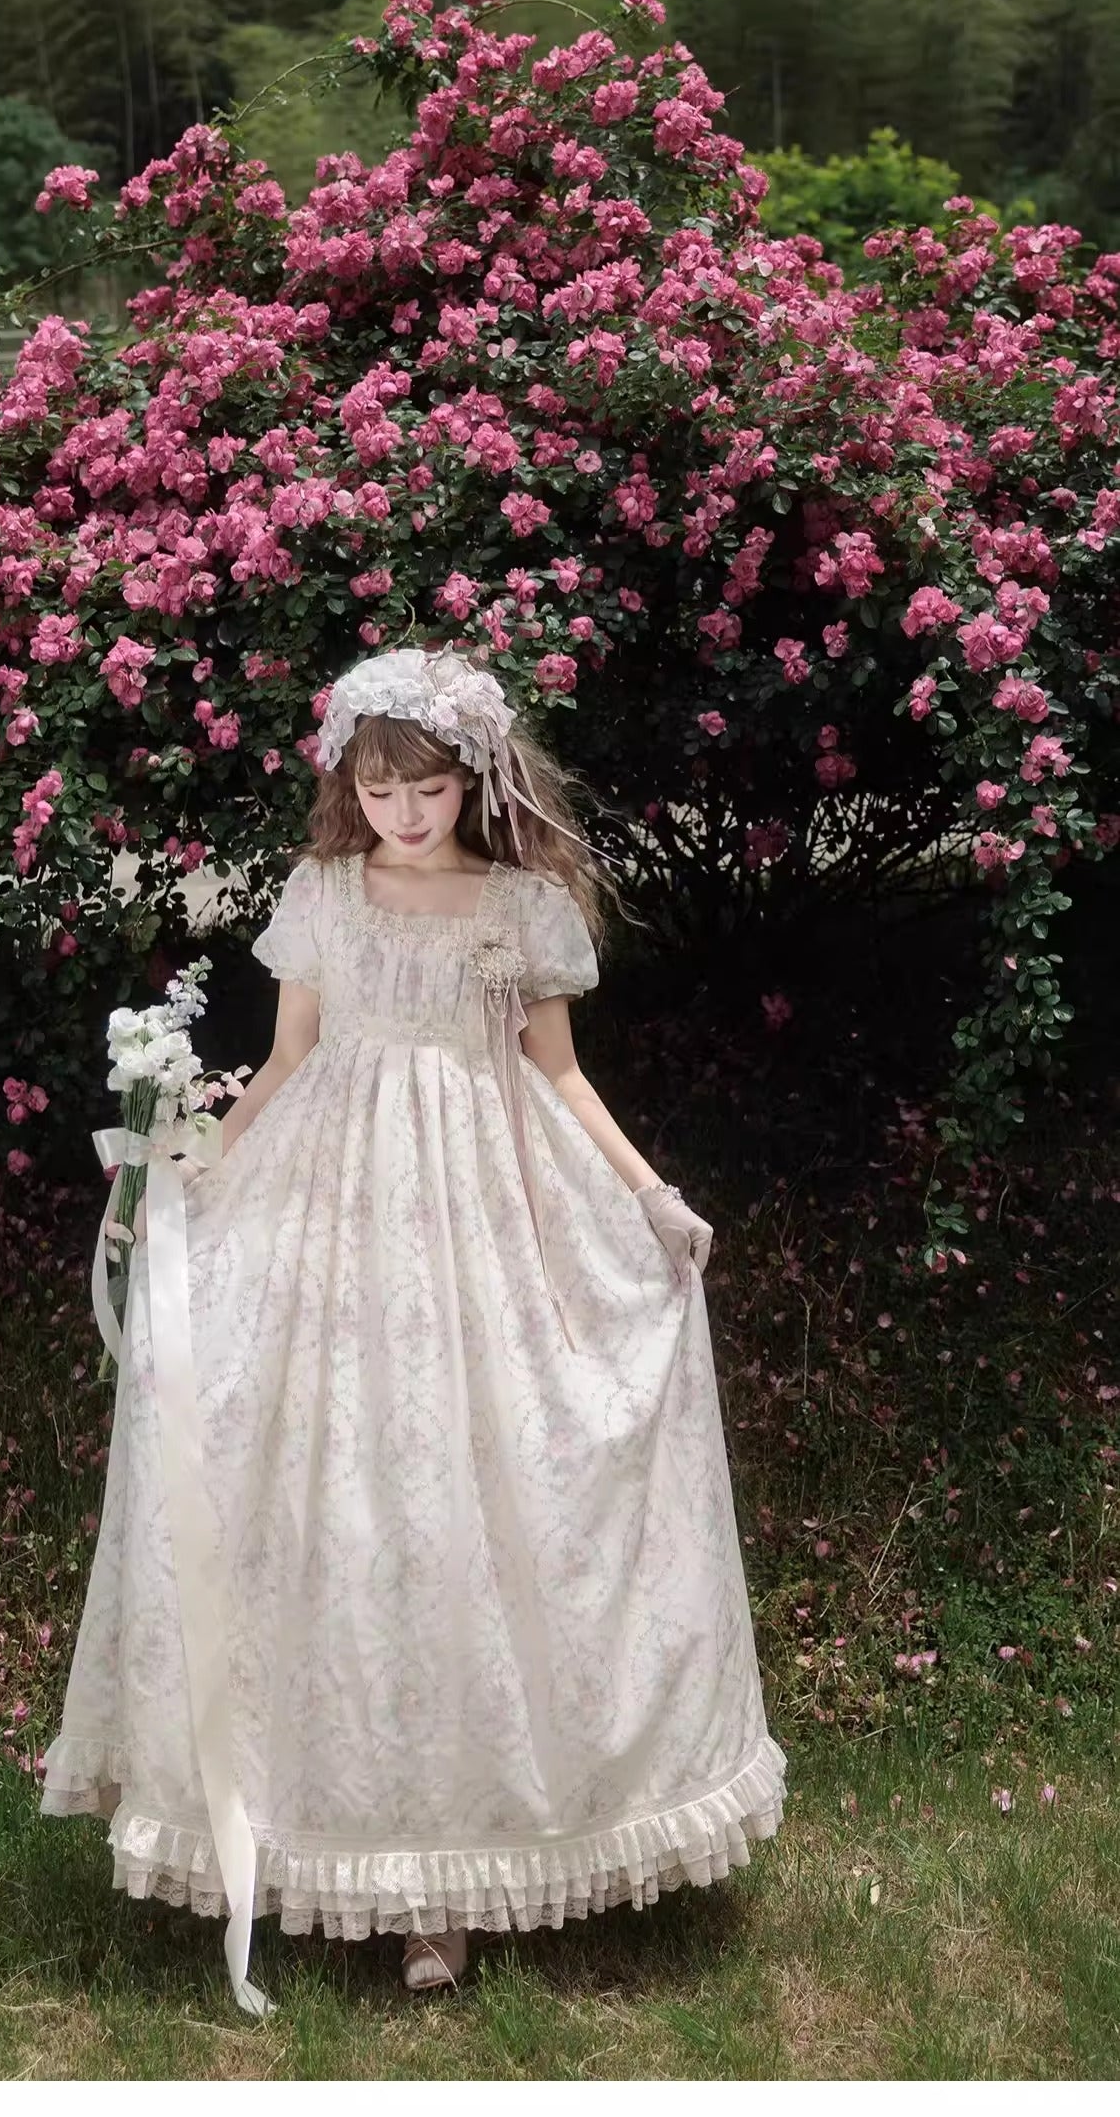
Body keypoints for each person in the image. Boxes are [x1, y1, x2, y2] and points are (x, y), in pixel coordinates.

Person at [39, 642, 788, 2011]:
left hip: (486, 1209)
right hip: (331, 1211)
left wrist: (651, 1196)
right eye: (380, 791)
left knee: (473, 1501)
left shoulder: (522, 904)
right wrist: (192, 1175)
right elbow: (288, 1059)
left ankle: (455, 1876)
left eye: (428, 789)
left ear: (474, 783)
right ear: (350, 788)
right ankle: (318, 1826)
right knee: (339, 1502)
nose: (404, 813)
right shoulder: (324, 894)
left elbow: (562, 1078)